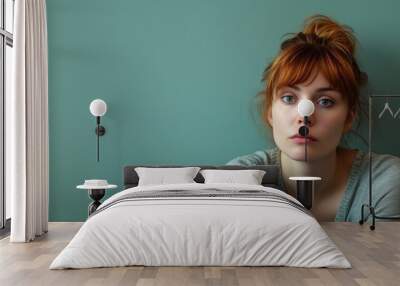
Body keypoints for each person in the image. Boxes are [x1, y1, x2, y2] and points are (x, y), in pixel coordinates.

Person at [227, 15, 400, 222]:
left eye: (326, 101)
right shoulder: (239, 180)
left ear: (349, 117)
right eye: (289, 98)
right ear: (270, 112)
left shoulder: (382, 182)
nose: (304, 116)